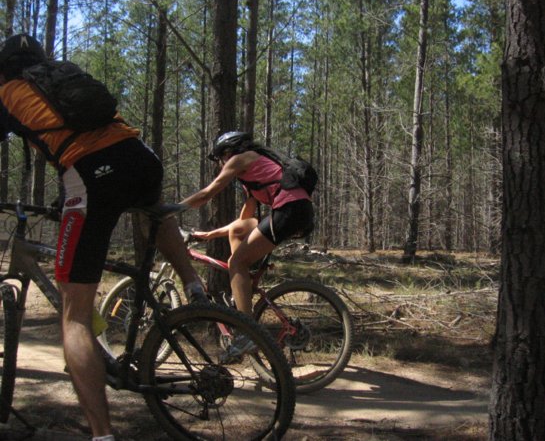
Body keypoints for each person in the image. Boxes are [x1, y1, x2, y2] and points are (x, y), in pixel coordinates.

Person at [0, 33, 206, 441]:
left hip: (91, 173)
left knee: (73, 315)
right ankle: (194, 286)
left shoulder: (7, 91)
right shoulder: (61, 79)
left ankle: (102, 435)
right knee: (151, 211)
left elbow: (70, 148)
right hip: (140, 157)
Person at [182, 131, 314, 354]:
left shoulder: (241, 159)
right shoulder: (254, 175)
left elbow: (207, 194)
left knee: (236, 262)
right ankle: (242, 285)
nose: (222, 164)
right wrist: (207, 235)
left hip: (289, 210)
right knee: (238, 234)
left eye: (220, 158)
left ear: (228, 152)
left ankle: (246, 331)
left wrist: (172, 210)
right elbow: (243, 222)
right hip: (297, 210)